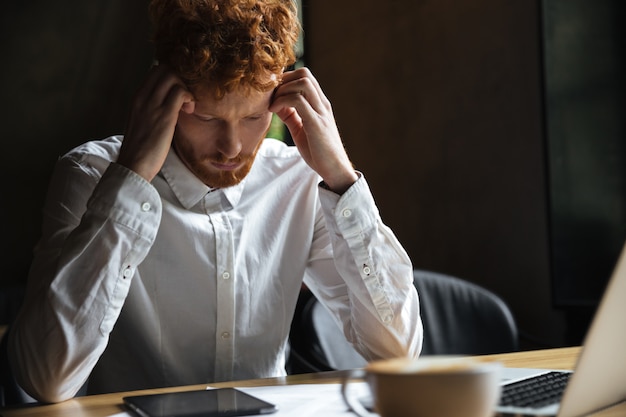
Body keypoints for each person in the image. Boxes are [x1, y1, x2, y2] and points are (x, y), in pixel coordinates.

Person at [8, 0, 422, 403]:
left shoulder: (300, 181)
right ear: (160, 90)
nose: (232, 147)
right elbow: (45, 379)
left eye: (254, 117)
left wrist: (343, 180)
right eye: (207, 118)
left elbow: (398, 352)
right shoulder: (90, 176)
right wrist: (130, 180)